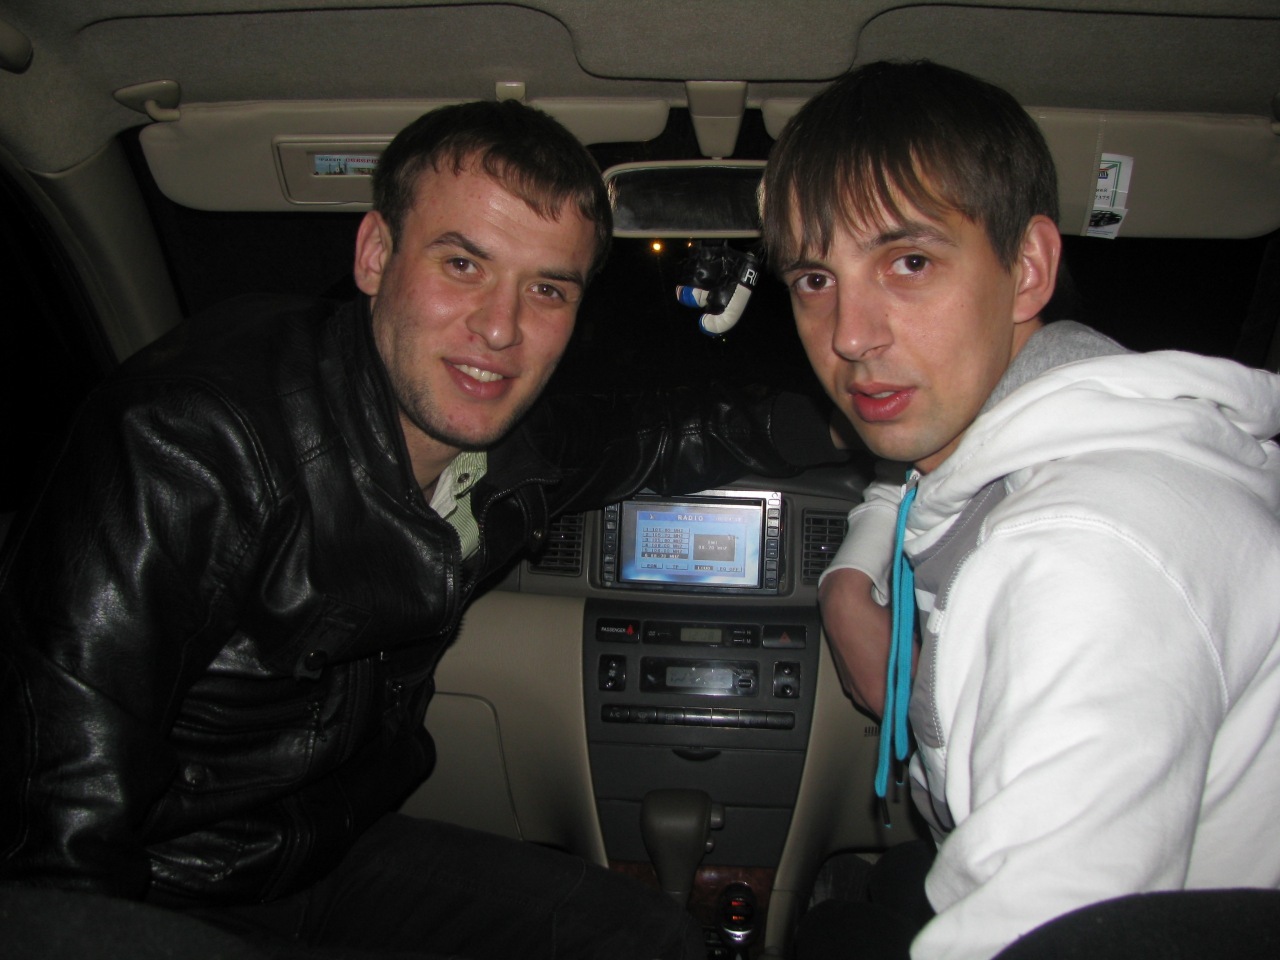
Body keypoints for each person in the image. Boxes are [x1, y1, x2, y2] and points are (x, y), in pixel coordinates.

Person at [0, 100, 839, 959]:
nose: (501, 328)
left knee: (656, 940)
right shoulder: (187, 444)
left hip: (326, 853)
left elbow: (665, 434)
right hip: (167, 884)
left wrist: (860, 419)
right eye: (463, 263)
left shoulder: (514, 449)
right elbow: (55, 835)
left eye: (547, 288)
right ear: (375, 254)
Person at [759, 60, 1280, 960]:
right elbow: (911, 480)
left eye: (909, 262)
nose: (850, 334)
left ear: (1029, 268)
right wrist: (851, 580)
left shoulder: (1088, 552)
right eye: (815, 278)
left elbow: (1047, 938)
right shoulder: (1053, 428)